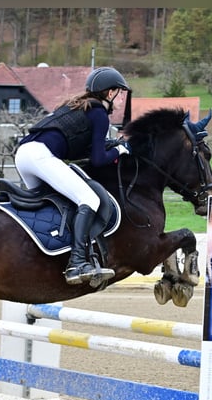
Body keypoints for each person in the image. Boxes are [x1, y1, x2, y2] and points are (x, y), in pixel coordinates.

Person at [14, 66, 131, 285]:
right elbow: (97, 159)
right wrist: (120, 150)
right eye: (120, 92)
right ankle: (77, 262)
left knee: (55, 204)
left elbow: (81, 149)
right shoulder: (99, 114)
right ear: (109, 93)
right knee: (89, 199)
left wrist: (109, 146)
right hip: (41, 156)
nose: (122, 98)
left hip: (24, 154)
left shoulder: (78, 107)